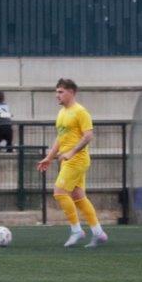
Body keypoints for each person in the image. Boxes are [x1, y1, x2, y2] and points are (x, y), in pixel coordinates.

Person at [36, 78, 107, 247]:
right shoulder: (62, 113)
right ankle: (98, 232)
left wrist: (71, 152)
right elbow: (60, 138)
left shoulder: (80, 112)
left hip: (76, 159)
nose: (57, 95)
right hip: (68, 159)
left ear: (71, 92)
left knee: (59, 193)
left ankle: (76, 231)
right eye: (56, 92)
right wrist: (49, 157)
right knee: (78, 197)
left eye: (60, 92)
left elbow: (88, 135)